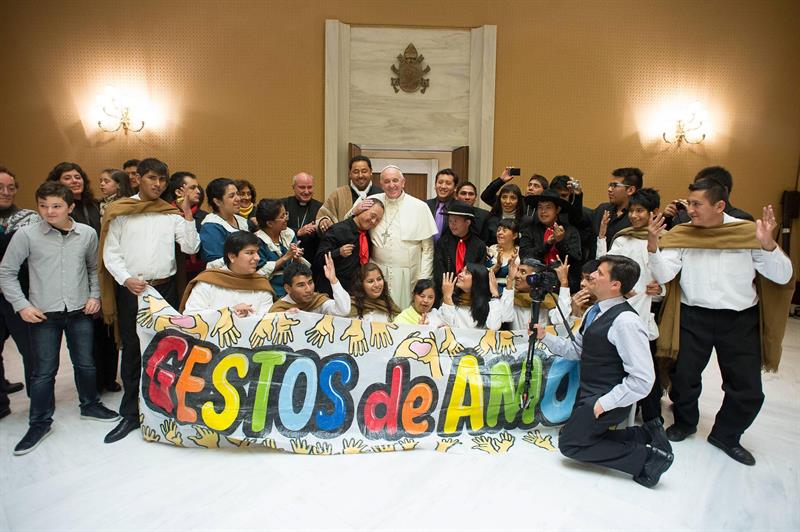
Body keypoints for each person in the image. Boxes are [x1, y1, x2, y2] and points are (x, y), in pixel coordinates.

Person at [648, 178, 793, 465]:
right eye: (689, 203)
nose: (689, 209)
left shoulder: (747, 233)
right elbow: (665, 275)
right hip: (694, 316)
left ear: (719, 205)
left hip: (739, 320)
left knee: (746, 387)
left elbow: (783, 276)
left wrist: (768, 246)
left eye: (696, 204)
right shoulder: (683, 234)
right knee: (684, 376)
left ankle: (726, 435)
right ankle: (686, 422)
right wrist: (654, 249)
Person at [0, 182, 120, 455]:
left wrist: (95, 296)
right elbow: (5, 272)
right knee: (43, 372)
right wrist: (21, 306)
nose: (49, 212)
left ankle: (90, 405)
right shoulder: (26, 235)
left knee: (86, 364)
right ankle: (39, 422)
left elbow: (93, 269)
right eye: (43, 206)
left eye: (56, 206)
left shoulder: (87, 234)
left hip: (80, 311)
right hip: (43, 313)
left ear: (70, 207)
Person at [533, 255, 673, 488]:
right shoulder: (593, 311)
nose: (592, 276)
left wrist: (603, 404)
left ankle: (648, 460)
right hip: (589, 395)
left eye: (599, 273)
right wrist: (544, 337)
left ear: (615, 285)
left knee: (570, 445)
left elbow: (642, 379)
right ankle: (645, 435)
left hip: (607, 400)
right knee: (575, 437)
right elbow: (577, 350)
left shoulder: (626, 321)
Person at [100, 157, 200, 443]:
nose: (157, 185)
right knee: (133, 348)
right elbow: (111, 253)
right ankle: (131, 413)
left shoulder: (169, 213)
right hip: (133, 290)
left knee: (166, 348)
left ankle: (163, 407)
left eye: (162, 180)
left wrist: (186, 214)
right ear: (138, 179)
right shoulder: (120, 211)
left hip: (164, 289)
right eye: (151, 178)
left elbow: (191, 246)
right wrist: (125, 278)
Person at [48, 162, 120, 393]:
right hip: (74, 277)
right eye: (67, 178)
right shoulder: (55, 212)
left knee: (106, 330)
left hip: (101, 272)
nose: (74, 181)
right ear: (57, 183)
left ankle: (108, 378)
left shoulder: (95, 205)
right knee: (85, 335)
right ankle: (92, 384)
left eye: (77, 177)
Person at [363, 166, 437, 309]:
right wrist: (355, 210)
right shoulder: (371, 201)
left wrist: (423, 280)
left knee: (405, 314)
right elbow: (352, 222)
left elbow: (428, 249)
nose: (392, 185)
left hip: (409, 274)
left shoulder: (419, 207)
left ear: (403, 182)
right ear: (381, 183)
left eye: (395, 180)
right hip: (378, 272)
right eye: (387, 181)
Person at [0, 166, 39, 417]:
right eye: (0, 188)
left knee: (30, 350)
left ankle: (38, 403)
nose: (5, 192)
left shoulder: (29, 219)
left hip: (20, 295)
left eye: (10, 187)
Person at [181, 231, 274, 315]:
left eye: (257, 252)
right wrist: (230, 312)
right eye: (250, 253)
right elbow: (191, 315)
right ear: (232, 257)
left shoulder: (261, 284)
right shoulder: (208, 282)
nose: (257, 258)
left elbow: (267, 321)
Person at [315, 198, 385, 294]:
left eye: (378, 220)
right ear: (362, 209)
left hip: (354, 292)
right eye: (372, 216)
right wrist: (338, 252)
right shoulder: (337, 230)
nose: (373, 221)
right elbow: (318, 260)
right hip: (330, 291)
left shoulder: (368, 236)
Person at [519, 190, 582, 288]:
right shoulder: (530, 230)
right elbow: (524, 255)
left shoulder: (570, 231)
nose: (543, 211)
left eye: (548, 207)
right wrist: (547, 245)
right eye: (540, 207)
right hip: (533, 282)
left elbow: (575, 260)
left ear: (557, 209)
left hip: (563, 283)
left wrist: (560, 241)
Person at [663, 166, 754, 229]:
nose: (691, 210)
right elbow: (668, 240)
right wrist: (667, 218)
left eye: (705, 186)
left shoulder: (742, 221)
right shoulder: (683, 217)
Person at [432, 201, 487, 302]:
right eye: (450, 221)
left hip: (469, 296)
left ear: (467, 222)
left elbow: (478, 273)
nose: (452, 225)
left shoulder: (479, 245)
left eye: (456, 221)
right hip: (445, 293)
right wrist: (449, 292)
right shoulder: (443, 242)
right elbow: (439, 270)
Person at [254, 198, 308, 297]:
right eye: (282, 216)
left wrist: (296, 259)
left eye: (286, 214)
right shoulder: (256, 241)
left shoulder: (288, 234)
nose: (286, 218)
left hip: (294, 286)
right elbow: (259, 274)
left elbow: (295, 268)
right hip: (269, 289)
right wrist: (286, 257)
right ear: (269, 223)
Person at [316, 155, 382, 232]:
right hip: (344, 242)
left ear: (371, 172)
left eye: (364, 171)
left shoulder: (381, 195)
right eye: (356, 172)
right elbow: (322, 216)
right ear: (350, 174)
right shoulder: (338, 194)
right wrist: (323, 221)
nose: (360, 175)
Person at [269, 256, 351, 316]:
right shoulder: (278, 310)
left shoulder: (317, 300)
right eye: (301, 285)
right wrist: (285, 317)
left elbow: (343, 311)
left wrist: (334, 280)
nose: (308, 289)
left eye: (310, 282)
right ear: (288, 288)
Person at [505, 257, 572, 331]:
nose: (517, 275)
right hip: (518, 342)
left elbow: (560, 321)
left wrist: (564, 283)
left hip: (541, 341)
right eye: (517, 271)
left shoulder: (548, 298)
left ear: (535, 277)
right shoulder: (511, 296)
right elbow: (506, 317)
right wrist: (510, 280)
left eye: (523, 272)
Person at [163, 172, 207, 281]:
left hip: (200, 273)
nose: (198, 191)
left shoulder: (205, 218)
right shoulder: (165, 216)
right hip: (172, 275)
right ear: (178, 192)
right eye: (193, 188)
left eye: (198, 187)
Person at [440, 264, 509, 330]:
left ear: (477, 280)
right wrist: (447, 297)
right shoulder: (451, 301)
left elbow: (494, 327)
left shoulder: (490, 304)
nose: (460, 274)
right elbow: (448, 331)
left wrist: (495, 294)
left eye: (466, 273)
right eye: (461, 271)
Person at [200, 178, 248, 269]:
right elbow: (215, 263)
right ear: (217, 201)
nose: (238, 199)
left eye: (237, 194)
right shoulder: (211, 227)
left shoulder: (242, 221)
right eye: (231, 196)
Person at [283, 172, 322, 267]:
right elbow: (276, 229)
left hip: (313, 259)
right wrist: (298, 232)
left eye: (310, 187)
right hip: (287, 258)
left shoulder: (320, 208)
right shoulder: (283, 205)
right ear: (293, 187)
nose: (306, 191)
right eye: (302, 187)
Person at [486, 218, 520, 293]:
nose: (499, 233)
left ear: (514, 235)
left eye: (504, 230)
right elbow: (484, 275)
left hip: (513, 291)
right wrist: (498, 265)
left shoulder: (520, 252)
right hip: (490, 290)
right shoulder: (491, 250)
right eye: (498, 230)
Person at [426, 168, 458, 242]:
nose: (443, 186)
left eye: (448, 183)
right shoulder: (425, 206)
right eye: (440, 182)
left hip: (450, 252)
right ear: (435, 185)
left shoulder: (460, 208)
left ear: (455, 188)